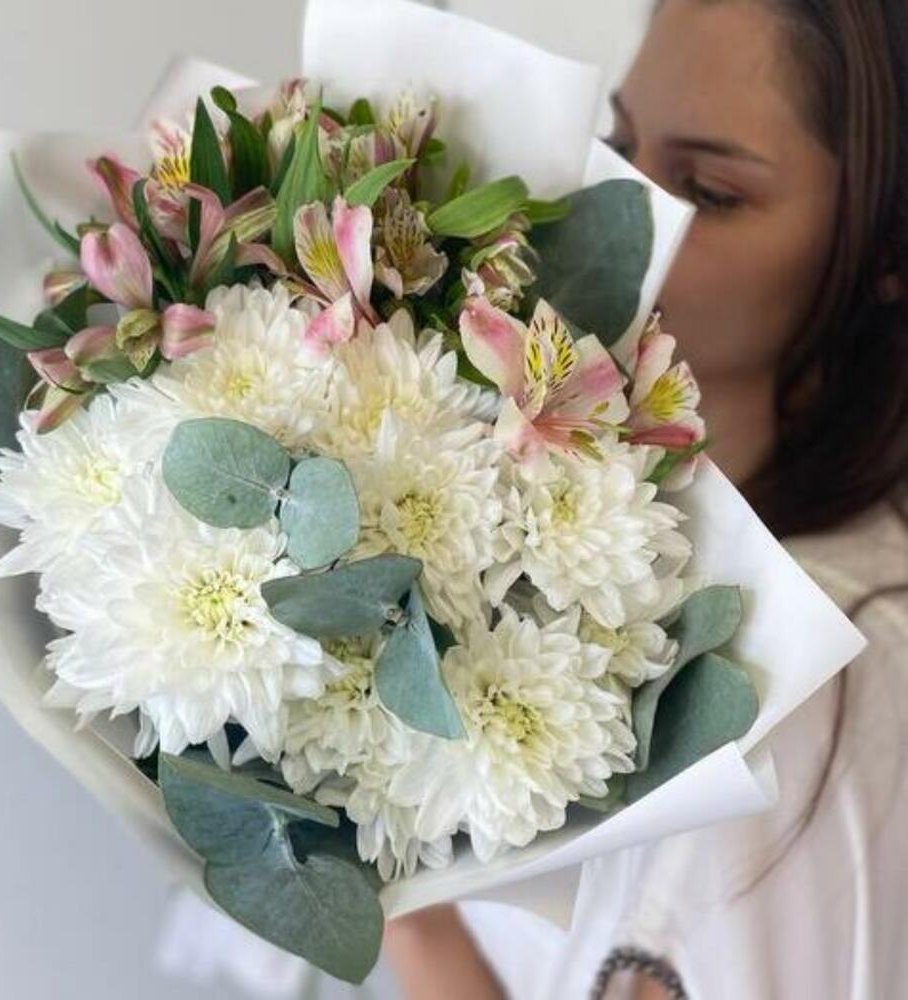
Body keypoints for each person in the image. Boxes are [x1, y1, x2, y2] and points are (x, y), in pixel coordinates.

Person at [383, 0, 908, 997]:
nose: (622, 207)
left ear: (885, 245)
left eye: (707, 189)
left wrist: (400, 908)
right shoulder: (574, 526)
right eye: (620, 146)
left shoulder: (791, 691)